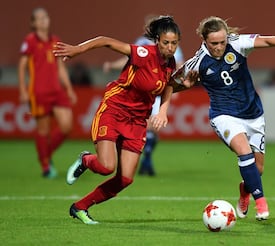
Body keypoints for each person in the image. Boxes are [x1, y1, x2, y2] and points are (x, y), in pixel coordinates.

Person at [54, 16, 196, 224]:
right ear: (157, 40)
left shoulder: (170, 64)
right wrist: (77, 49)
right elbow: (106, 41)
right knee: (105, 167)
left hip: (137, 121)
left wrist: (165, 109)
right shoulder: (144, 53)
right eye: (166, 42)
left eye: (174, 43)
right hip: (114, 110)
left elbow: (168, 87)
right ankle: (85, 160)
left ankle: (80, 207)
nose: (170, 47)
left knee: (125, 179)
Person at [173, 16, 275, 220]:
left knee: (257, 170)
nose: (220, 47)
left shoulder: (237, 43)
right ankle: (261, 204)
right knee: (244, 153)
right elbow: (171, 85)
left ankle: (245, 191)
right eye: (214, 43)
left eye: (222, 42)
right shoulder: (197, 63)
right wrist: (185, 86)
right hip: (224, 115)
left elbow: (266, 40)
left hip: (253, 114)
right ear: (204, 40)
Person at [103, 14, 185, 176]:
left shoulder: (171, 46)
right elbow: (129, 57)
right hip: (138, 92)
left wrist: (176, 85)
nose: (170, 46)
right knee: (147, 125)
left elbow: (178, 65)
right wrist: (112, 65)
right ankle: (135, 153)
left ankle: (146, 155)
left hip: (156, 93)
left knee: (155, 126)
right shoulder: (142, 44)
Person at [18, 7, 77, 178]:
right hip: (39, 92)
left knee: (66, 126)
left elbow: (60, 66)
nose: (44, 20)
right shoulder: (29, 41)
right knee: (43, 129)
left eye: (46, 17)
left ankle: (45, 154)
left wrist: (69, 88)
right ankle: (45, 166)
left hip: (57, 91)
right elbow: (22, 66)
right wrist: (22, 89)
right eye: (40, 18)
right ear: (33, 23)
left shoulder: (55, 40)